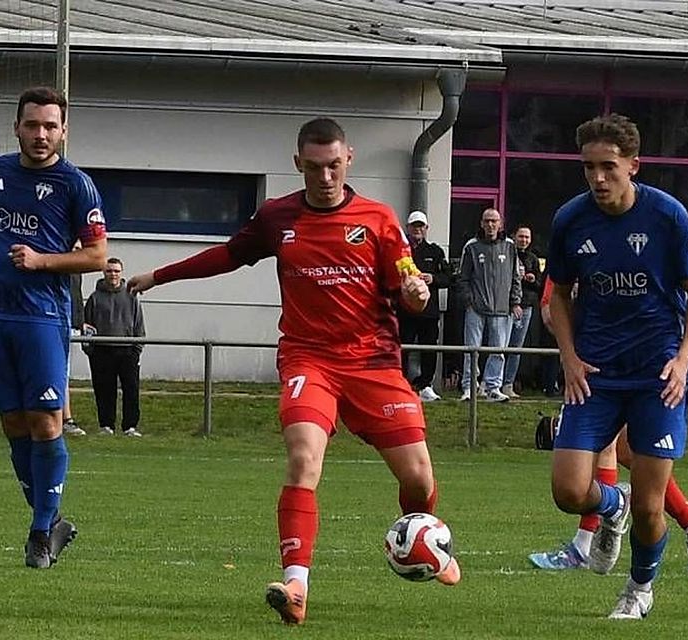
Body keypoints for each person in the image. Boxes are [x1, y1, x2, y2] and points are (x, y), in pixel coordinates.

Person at [126, 118, 460, 626]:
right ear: (297, 163)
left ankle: (429, 544)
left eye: (333, 165)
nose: (325, 176)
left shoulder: (378, 219)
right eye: (314, 166)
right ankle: (297, 585)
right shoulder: (277, 217)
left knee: (417, 478)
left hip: (372, 363)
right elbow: (228, 255)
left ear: (348, 159)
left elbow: (410, 282)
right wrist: (158, 275)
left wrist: (417, 293)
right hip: (309, 360)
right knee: (304, 459)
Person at [546, 114, 688, 619]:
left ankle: (639, 589)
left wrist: (683, 360)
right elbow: (557, 298)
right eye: (589, 167)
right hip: (595, 373)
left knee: (650, 505)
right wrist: (569, 357)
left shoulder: (667, 216)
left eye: (609, 167)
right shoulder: (570, 220)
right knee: (569, 491)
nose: (598, 178)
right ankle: (608, 508)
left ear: (633, 166)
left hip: (657, 377)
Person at [0, 86, 108, 569]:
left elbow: (96, 255)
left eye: (50, 126)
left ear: (63, 131)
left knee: (46, 422)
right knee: (12, 421)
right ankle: (51, 521)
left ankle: (38, 536)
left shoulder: (77, 185)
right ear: (17, 127)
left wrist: (41, 260)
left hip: (41, 316)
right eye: (32, 125)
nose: (41, 134)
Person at [529, 279, 688, 575]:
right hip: (600, 357)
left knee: (612, 449)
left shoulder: (660, 239)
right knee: (628, 454)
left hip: (651, 358)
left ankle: (588, 543)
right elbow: (550, 306)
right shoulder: (579, 239)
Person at [457, 208, 522, 402]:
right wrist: (468, 301)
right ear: (481, 224)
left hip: (502, 309)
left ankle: (493, 387)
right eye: (487, 221)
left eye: (494, 221)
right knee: (471, 349)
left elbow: (515, 276)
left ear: (500, 223)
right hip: (476, 308)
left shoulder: (510, 247)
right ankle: (469, 387)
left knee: (498, 351)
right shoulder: (471, 247)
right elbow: (463, 277)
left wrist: (515, 301)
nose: (491, 225)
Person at [83, 257, 146, 436]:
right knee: (104, 390)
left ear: (121, 273)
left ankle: (130, 426)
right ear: (104, 273)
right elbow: (87, 326)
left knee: (131, 389)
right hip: (102, 350)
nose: (113, 274)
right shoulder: (95, 298)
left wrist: (137, 349)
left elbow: (139, 325)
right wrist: (90, 350)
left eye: (116, 271)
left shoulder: (131, 296)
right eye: (109, 271)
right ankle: (106, 425)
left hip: (127, 350)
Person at [398, 210, 451, 402]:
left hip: (429, 312)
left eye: (421, 226)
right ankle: (402, 384)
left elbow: (448, 277)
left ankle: (425, 385)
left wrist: (433, 278)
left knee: (429, 349)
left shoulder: (435, 251)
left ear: (426, 228)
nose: (417, 229)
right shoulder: (400, 250)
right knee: (403, 347)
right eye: (414, 226)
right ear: (408, 228)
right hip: (405, 310)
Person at [502, 225, 542, 399]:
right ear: (514, 236)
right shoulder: (507, 254)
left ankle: (508, 384)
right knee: (499, 346)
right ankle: (490, 383)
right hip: (505, 306)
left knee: (516, 348)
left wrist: (532, 279)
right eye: (521, 236)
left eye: (526, 237)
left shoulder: (533, 259)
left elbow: (540, 284)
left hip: (526, 306)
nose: (523, 240)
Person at [62, 271, 87, 435]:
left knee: (63, 373)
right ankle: (64, 418)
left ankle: (64, 418)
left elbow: (76, 297)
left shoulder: (76, 272)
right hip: (55, 322)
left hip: (70, 325)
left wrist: (80, 321)